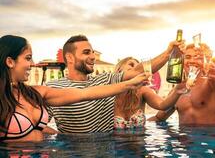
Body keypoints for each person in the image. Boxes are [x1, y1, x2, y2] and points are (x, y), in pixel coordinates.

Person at [0, 35, 149, 142]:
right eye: (28, 58)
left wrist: (130, 83)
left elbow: (85, 93)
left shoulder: (35, 92)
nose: (32, 63)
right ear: (10, 61)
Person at [47, 35, 184, 133]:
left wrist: (168, 53)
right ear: (70, 57)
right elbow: (36, 124)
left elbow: (138, 71)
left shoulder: (105, 81)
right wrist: (61, 138)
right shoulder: (52, 87)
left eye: (93, 52)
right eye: (86, 52)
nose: (93, 57)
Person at [148, 44, 215, 126]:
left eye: (197, 57)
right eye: (187, 57)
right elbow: (159, 118)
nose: (192, 61)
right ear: (182, 61)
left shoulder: (212, 84)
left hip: (208, 137)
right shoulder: (177, 91)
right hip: (183, 137)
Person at [113, 57, 186, 129]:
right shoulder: (109, 92)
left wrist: (177, 91)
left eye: (139, 66)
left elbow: (162, 105)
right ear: (119, 70)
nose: (137, 68)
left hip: (140, 140)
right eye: (131, 65)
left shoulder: (142, 91)